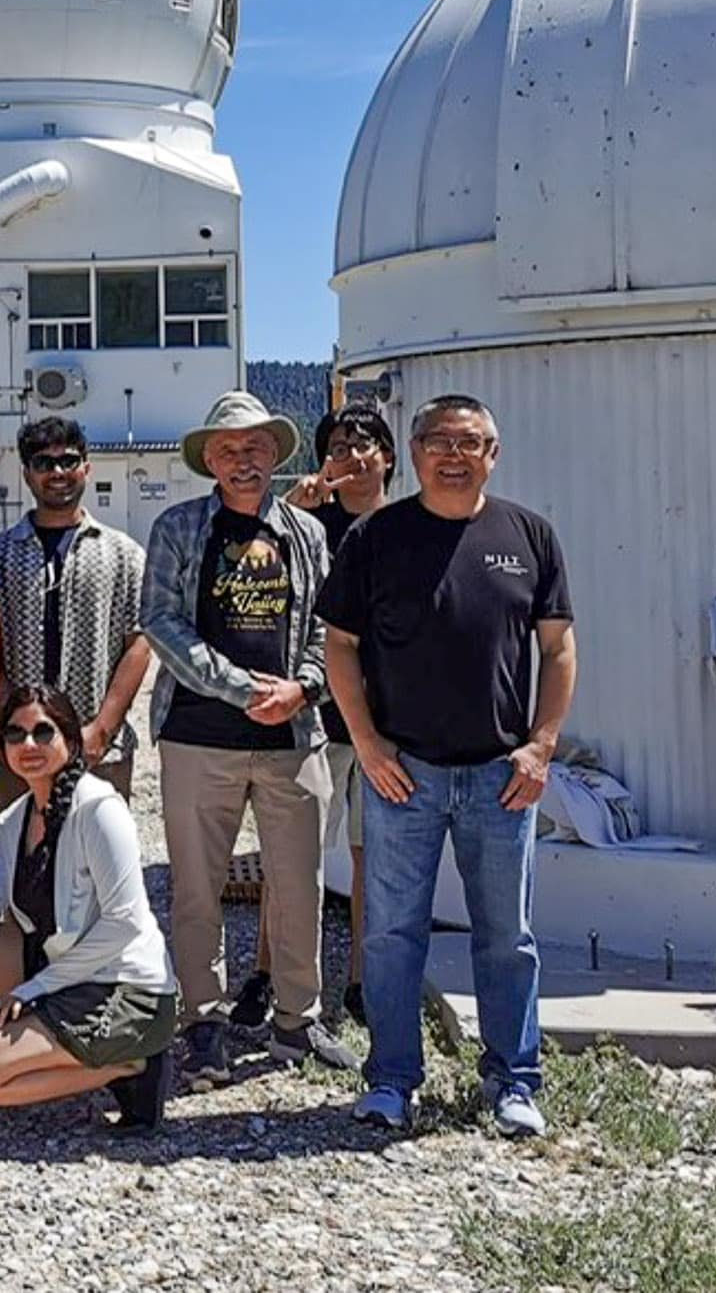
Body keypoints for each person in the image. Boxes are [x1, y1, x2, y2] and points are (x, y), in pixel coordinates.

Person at [319, 394, 575, 1138]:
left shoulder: (528, 535)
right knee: (393, 935)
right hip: (406, 773)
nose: (455, 454)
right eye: (440, 441)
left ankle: (513, 1081)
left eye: (471, 442)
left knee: (507, 936)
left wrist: (542, 744)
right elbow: (340, 646)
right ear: (416, 450)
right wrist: (366, 744)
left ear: (493, 453)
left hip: (503, 775)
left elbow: (557, 648)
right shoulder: (375, 537)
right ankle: (393, 1079)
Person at [142, 390, 353, 1092]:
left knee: (299, 884)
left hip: (294, 734)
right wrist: (240, 688)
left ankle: (298, 1016)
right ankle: (201, 1020)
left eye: (255, 447)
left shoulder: (308, 534)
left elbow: (327, 627)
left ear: (275, 455)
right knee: (196, 888)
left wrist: (303, 688)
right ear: (209, 459)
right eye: (229, 449)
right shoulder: (178, 528)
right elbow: (161, 624)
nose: (243, 460)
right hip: (198, 738)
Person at [0, 687, 176, 1127]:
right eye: (15, 734)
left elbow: (124, 924)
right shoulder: (18, 817)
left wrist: (34, 988)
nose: (28, 745)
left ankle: (133, 1066)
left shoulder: (100, 809)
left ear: (70, 741)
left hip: (121, 988)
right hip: (61, 971)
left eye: (43, 733)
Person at [235, 400, 396, 1029]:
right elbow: (255, 584)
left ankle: (360, 981)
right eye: (337, 447)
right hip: (315, 716)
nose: (351, 458)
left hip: (385, 724)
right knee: (289, 855)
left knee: (369, 857)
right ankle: (264, 974)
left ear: (387, 455)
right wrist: (288, 515)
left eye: (364, 445)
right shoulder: (304, 524)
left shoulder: (407, 525)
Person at [0, 416, 151, 803]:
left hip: (98, 746)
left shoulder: (123, 554)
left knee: (97, 856)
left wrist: (102, 728)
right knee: (24, 853)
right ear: (27, 474)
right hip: (19, 748)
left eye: (67, 460)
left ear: (86, 467)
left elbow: (139, 644)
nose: (57, 472)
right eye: (44, 464)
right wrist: (10, 719)